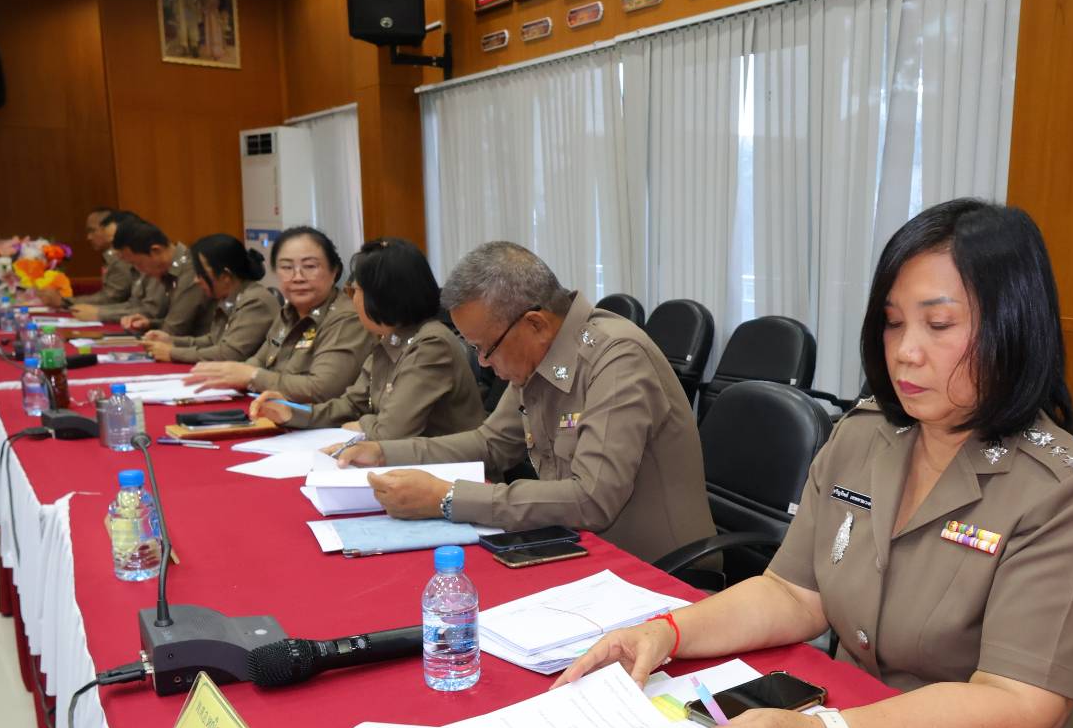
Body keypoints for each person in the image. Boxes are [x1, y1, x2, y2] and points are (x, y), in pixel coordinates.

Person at [555, 200, 1073, 728]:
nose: (905, 351)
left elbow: (1017, 703)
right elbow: (793, 593)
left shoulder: (1069, 494)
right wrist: (664, 634)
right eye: (893, 323)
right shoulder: (864, 435)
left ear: (1014, 327)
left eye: (938, 325)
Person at [335, 241, 713, 562]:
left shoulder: (617, 358)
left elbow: (592, 498)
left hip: (657, 572)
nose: (483, 363)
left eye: (485, 348)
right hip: (576, 549)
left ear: (535, 324)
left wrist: (447, 497)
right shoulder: (538, 355)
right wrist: (385, 453)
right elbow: (491, 444)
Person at [250, 237, 484, 440]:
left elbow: (391, 431)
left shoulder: (431, 345)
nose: (352, 300)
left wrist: (362, 425)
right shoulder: (390, 339)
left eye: (355, 291)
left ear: (382, 295)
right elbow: (353, 404)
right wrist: (293, 412)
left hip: (447, 469)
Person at [185, 226, 372, 401]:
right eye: (287, 267)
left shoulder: (347, 318)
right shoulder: (290, 311)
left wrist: (252, 376)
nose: (298, 277)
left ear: (334, 271)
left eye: (310, 266)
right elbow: (261, 359)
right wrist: (232, 373)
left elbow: (321, 389)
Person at [143, 234, 278, 364]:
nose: (196, 280)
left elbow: (230, 353)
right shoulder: (230, 297)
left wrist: (173, 353)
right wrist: (171, 341)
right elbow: (213, 340)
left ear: (225, 276)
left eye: (201, 274)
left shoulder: (255, 301)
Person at [70, 219, 208, 335]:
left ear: (155, 251)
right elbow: (175, 322)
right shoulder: (173, 268)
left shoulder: (190, 270)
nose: (140, 271)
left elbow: (173, 330)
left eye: (137, 263)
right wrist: (149, 324)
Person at [45, 208, 139, 310]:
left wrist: (65, 302)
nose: (88, 237)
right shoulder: (110, 256)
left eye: (92, 231)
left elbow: (110, 298)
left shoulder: (122, 258)